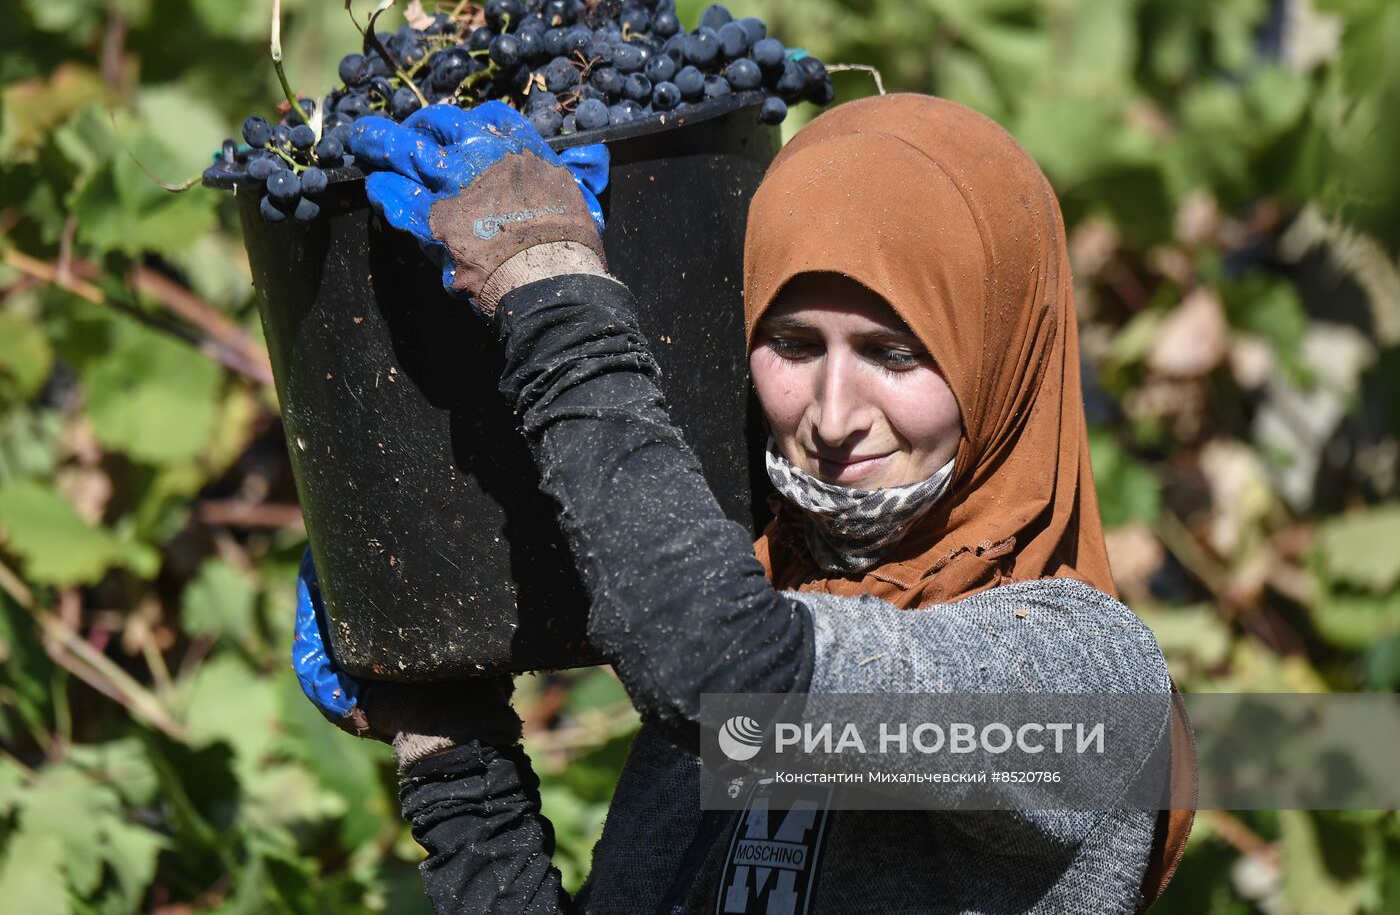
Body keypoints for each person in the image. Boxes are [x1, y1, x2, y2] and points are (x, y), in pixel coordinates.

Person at [292, 94, 1195, 914]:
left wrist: (558, 301)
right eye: (794, 344)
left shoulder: (1087, 684)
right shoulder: (754, 616)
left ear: (1004, 361)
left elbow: (720, 669)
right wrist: (452, 750)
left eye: (896, 354)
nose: (835, 415)